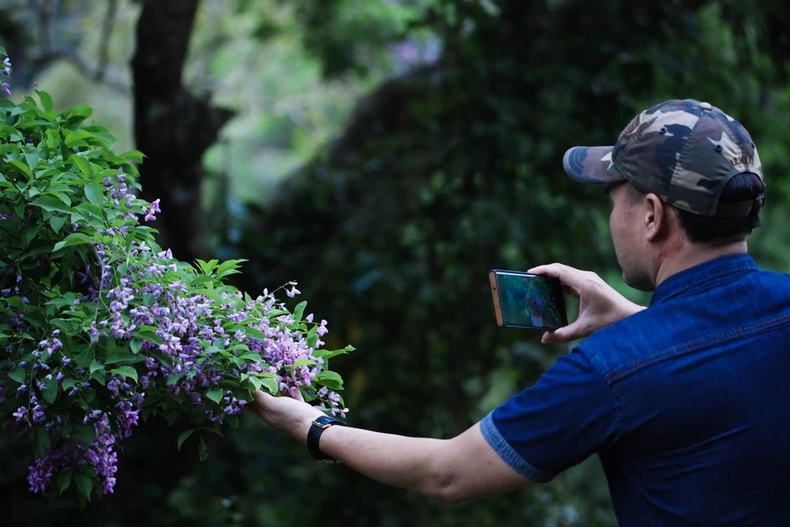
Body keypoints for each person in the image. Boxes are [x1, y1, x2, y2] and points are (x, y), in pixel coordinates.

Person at [251, 99, 790, 525]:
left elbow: (448, 474)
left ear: (651, 215)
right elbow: (723, 350)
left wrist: (312, 427)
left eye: (612, 197)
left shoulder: (612, 371)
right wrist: (635, 319)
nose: (611, 214)